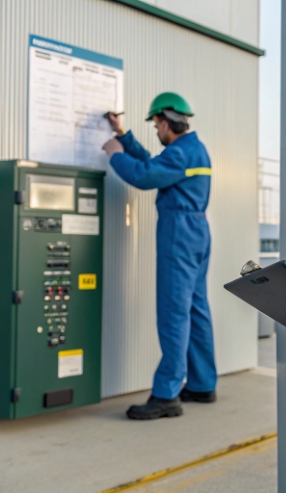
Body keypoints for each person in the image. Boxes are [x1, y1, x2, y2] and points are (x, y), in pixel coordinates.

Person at [101, 92, 217, 420]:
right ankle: (202, 384)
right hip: (196, 233)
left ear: (165, 122)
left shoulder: (180, 153)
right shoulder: (191, 149)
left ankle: (166, 394)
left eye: (155, 124)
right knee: (195, 310)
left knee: (173, 313)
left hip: (178, 235)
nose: (156, 130)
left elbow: (144, 175)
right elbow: (155, 164)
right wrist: (123, 136)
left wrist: (114, 154)